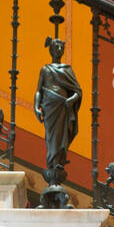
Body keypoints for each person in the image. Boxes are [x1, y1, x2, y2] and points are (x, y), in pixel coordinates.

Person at [33, 37, 82, 187]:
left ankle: (59, 162)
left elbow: (77, 91)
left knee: (61, 137)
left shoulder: (68, 69)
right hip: (49, 106)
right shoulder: (45, 69)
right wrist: (36, 107)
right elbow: (38, 91)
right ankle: (52, 163)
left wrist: (71, 100)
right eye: (56, 47)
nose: (59, 50)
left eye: (61, 47)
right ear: (51, 49)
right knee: (51, 137)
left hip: (63, 107)